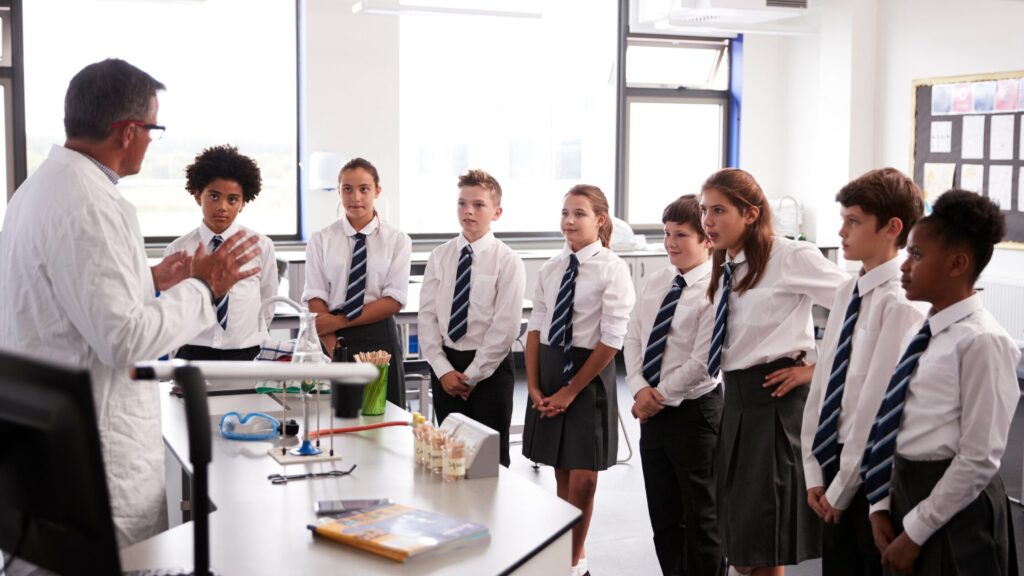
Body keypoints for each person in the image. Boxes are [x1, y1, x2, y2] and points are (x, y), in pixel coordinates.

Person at [0, 59, 261, 546]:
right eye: (153, 128)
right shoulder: (90, 204)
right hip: (97, 451)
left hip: (45, 442)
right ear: (127, 131)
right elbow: (124, 339)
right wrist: (206, 287)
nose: (149, 140)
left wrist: (152, 278)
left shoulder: (39, 190)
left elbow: (71, 296)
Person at [699, 168, 847, 576]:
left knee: (761, 546)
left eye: (718, 210)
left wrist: (816, 371)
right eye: (703, 211)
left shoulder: (789, 256)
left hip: (774, 404)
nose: (707, 222)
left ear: (750, 213)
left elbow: (860, 308)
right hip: (736, 403)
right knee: (742, 542)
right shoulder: (724, 262)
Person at [864, 190, 1020, 576]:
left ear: (957, 264)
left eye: (916, 255)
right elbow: (894, 421)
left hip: (957, 508)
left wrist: (915, 533)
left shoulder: (983, 341)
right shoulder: (921, 329)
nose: (903, 266)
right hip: (907, 489)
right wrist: (880, 503)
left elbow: (979, 457)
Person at [799, 168, 925, 576]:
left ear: (892, 228)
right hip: (832, 458)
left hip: (871, 472)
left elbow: (875, 406)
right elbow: (823, 381)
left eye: (853, 221)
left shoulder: (902, 304)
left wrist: (843, 486)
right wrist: (814, 466)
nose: (842, 231)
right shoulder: (845, 291)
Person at [522, 184, 635, 576]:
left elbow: (613, 339)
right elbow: (535, 328)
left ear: (600, 220)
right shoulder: (551, 268)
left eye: (579, 214)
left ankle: (572, 559)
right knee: (562, 470)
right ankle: (568, 554)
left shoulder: (612, 268)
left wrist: (571, 391)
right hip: (551, 367)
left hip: (589, 376)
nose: (569, 221)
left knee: (585, 477)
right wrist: (535, 386)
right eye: (565, 213)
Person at [624, 194, 725, 576]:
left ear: (707, 240)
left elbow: (703, 363)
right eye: (667, 234)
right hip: (652, 412)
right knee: (664, 518)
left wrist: (656, 397)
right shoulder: (659, 280)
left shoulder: (717, 289)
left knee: (702, 521)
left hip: (695, 415)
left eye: (681, 235)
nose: (670, 243)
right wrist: (637, 388)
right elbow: (633, 335)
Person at [417, 169, 525, 466]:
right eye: (462, 203)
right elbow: (427, 319)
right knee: (452, 456)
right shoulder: (440, 256)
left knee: (490, 462)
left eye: (478, 205)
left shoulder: (508, 260)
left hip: (489, 370)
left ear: (496, 212)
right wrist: (444, 371)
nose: (468, 211)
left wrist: (473, 376)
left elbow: (505, 327)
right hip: (447, 369)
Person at [303, 157, 411, 407]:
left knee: (384, 413)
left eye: (364, 189)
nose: (356, 197)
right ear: (339, 192)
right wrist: (335, 350)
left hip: (378, 335)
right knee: (340, 418)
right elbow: (315, 296)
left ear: (377, 191)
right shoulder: (321, 239)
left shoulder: (397, 240)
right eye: (347, 189)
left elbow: (393, 300)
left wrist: (340, 320)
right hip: (332, 337)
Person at [165, 144, 277, 361]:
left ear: (243, 203)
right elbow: (173, 310)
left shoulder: (261, 246)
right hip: (193, 352)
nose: (222, 207)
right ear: (198, 196)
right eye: (214, 196)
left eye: (232, 199)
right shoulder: (178, 250)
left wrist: (250, 338)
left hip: (247, 353)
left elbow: (267, 302)